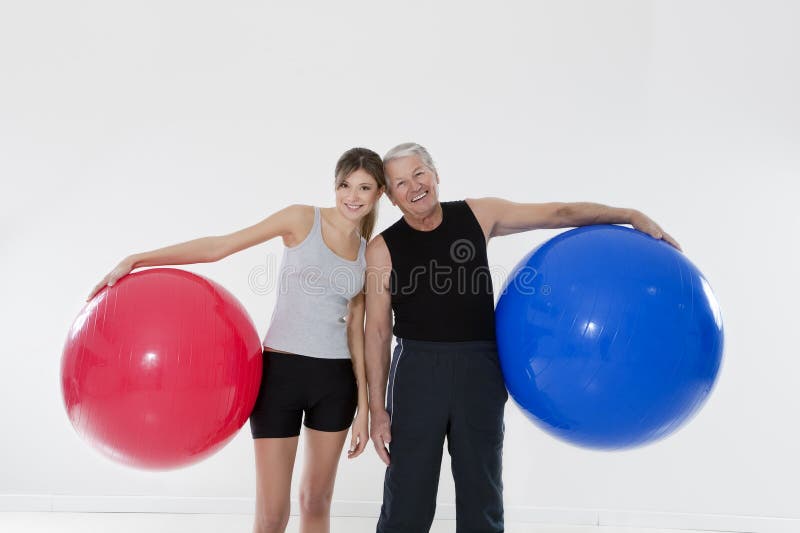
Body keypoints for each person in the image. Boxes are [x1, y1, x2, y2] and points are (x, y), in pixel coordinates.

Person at [364, 142, 680, 533]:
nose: (414, 186)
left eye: (419, 174)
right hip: (417, 371)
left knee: (482, 492)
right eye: (400, 183)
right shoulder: (383, 249)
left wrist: (629, 215)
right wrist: (378, 410)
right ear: (392, 198)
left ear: (435, 174)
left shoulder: (480, 214)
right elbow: (377, 332)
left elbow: (557, 214)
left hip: (480, 369)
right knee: (407, 497)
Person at [88, 147, 386, 533]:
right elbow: (220, 246)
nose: (353, 196)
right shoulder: (301, 219)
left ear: (379, 193)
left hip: (335, 383)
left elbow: (356, 333)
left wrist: (363, 407)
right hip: (282, 375)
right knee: (271, 515)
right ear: (335, 185)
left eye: (364, 188)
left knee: (316, 501)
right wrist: (139, 259)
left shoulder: (368, 255)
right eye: (346, 185)